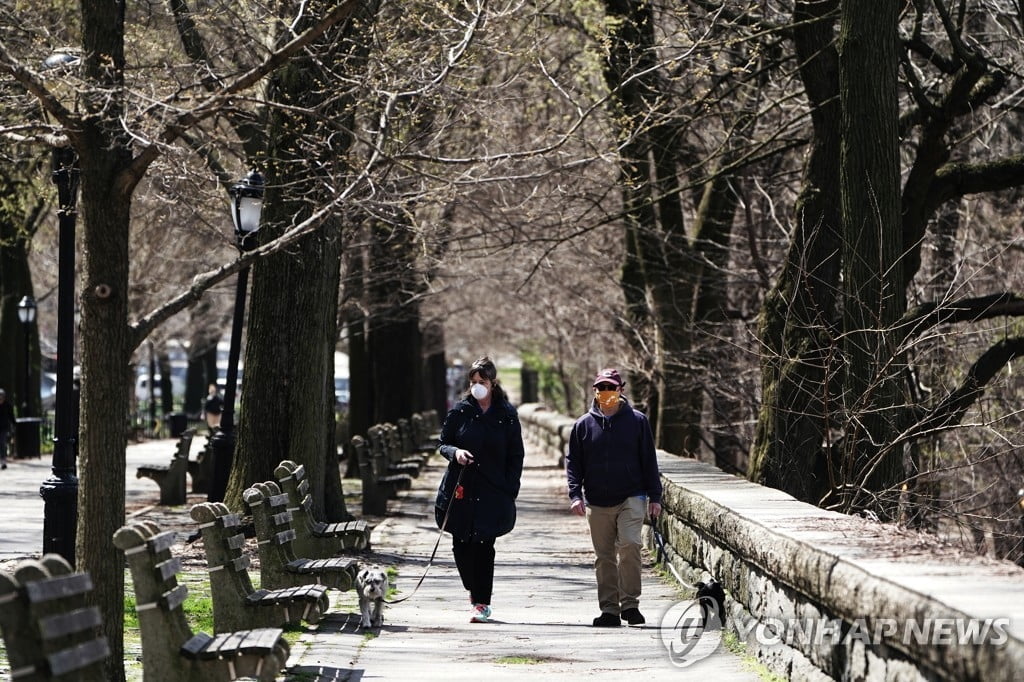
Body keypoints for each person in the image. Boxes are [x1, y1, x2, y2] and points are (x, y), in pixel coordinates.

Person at [566, 368, 662, 627]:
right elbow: (573, 463)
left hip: (632, 495)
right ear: (595, 391)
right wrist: (575, 494)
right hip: (596, 500)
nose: (606, 392)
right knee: (604, 556)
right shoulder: (583, 425)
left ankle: (630, 605)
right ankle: (609, 609)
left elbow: (649, 461)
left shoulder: (638, 421)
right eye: (602, 388)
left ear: (621, 390)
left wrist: (655, 496)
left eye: (611, 387)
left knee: (630, 545)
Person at [435, 356, 525, 623]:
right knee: (461, 545)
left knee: (484, 546)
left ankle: (482, 602)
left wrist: (510, 488)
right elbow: (443, 444)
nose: (477, 386)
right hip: (461, 488)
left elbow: (515, 455)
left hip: (492, 490)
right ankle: (473, 589)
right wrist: (456, 452)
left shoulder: (507, 416)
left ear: (492, 383)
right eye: (473, 382)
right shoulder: (460, 412)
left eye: (482, 382)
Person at [0, 389, 15, 469]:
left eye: (1, 396)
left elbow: (11, 416)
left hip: (4, 428)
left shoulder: (7, 405)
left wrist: (14, 424)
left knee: (2, 443)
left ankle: (3, 461)